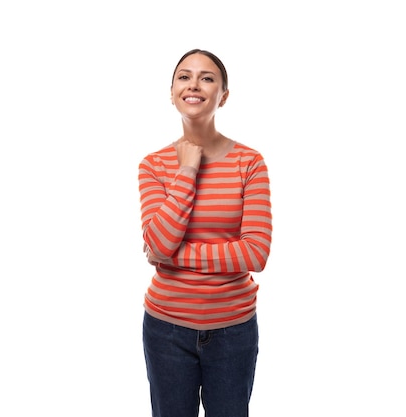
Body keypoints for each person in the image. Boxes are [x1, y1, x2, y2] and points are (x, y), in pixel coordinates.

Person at [137, 48, 273, 417]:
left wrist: (172, 256)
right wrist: (187, 170)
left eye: (207, 77)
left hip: (233, 330)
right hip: (165, 329)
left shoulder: (250, 163)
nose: (193, 84)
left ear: (223, 96)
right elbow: (160, 241)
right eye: (184, 76)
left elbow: (255, 253)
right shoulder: (153, 166)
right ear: (172, 92)